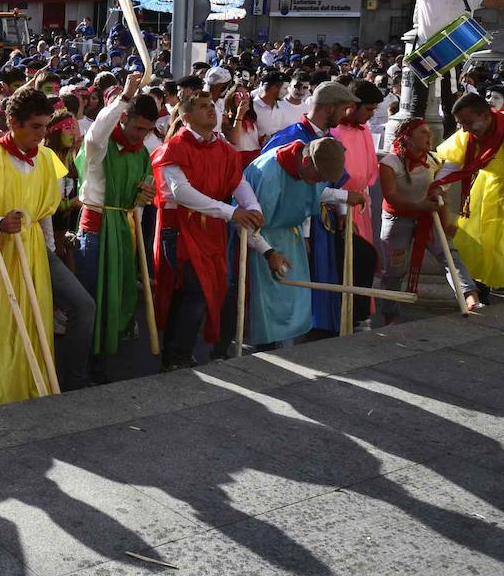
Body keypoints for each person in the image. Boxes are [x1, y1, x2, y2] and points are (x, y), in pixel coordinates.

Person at [0, 88, 69, 406]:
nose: (42, 133)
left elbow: (44, 213)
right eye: (35, 126)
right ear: (12, 122)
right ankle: (5, 393)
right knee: (7, 321)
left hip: (34, 248)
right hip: (0, 252)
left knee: (40, 316)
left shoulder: (47, 158)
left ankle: (40, 383)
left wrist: (48, 248)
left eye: (45, 125)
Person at [151, 91, 273, 363]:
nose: (211, 110)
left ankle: (188, 353)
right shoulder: (175, 147)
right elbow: (181, 192)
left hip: (213, 228)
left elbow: (238, 182)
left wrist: (253, 208)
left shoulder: (225, 150)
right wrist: (232, 212)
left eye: (212, 106)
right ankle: (177, 357)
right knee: (192, 291)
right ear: (186, 117)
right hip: (181, 227)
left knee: (214, 288)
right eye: (203, 107)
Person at [352, 0, 504, 123]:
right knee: (416, 105)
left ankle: (448, 147)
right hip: (424, 53)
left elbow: (501, 2)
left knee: (451, 105)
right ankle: (412, 143)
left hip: (450, 55)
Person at [73, 74, 157, 379]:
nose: (141, 136)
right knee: (92, 303)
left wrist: (143, 198)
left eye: (148, 131)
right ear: (124, 118)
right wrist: (124, 96)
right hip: (94, 231)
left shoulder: (143, 153)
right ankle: (78, 369)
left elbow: (140, 199)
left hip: (123, 231)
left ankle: (101, 364)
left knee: (117, 299)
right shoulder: (101, 146)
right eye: (138, 128)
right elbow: (95, 134)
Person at [261, 82, 364, 332]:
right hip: (287, 224)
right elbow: (291, 188)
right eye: (343, 109)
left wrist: (340, 211)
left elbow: (329, 179)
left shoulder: (326, 139)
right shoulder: (288, 139)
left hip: (319, 220)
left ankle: (318, 326)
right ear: (329, 108)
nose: (346, 115)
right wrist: (343, 198)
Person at [431, 92, 504, 295]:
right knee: (486, 240)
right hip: (493, 187)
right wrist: (438, 186)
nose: (463, 129)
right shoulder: (467, 136)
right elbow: (453, 165)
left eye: (468, 122)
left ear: (486, 115)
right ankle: (483, 287)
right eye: (460, 123)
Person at [378, 118, 481, 324]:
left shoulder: (434, 160)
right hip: (397, 219)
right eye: (423, 132)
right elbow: (391, 196)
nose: (429, 136)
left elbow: (439, 193)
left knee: (449, 255)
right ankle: (389, 314)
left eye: (428, 132)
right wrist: (419, 206)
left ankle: (470, 297)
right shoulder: (389, 163)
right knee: (394, 269)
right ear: (407, 138)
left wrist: (445, 220)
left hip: (428, 216)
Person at [243, 138, 345, 345]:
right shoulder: (269, 173)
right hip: (259, 241)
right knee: (269, 307)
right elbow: (246, 224)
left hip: (291, 238)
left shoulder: (307, 169)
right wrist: (268, 252)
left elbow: (311, 194)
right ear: (307, 162)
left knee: (294, 302)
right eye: (319, 177)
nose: (319, 182)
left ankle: (285, 347)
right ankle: (267, 354)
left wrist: (344, 196)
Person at [331, 80, 383, 327]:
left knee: (364, 260)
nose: (371, 115)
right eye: (369, 109)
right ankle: (347, 314)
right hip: (339, 205)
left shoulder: (364, 131)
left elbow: (370, 169)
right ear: (353, 106)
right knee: (350, 260)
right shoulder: (335, 132)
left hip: (361, 203)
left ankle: (361, 311)